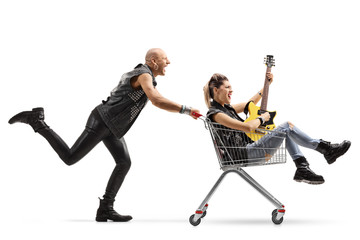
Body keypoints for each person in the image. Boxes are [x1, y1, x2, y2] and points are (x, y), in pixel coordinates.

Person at [8, 48, 200, 222]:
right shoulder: (143, 74)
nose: (169, 62)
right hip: (102, 121)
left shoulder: (145, 75)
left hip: (113, 126)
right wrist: (186, 110)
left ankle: (105, 208)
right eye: (165, 58)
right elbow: (157, 100)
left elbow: (155, 98)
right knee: (70, 158)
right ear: (153, 61)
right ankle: (37, 121)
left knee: (124, 162)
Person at [203, 73, 351, 184]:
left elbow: (250, 103)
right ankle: (326, 150)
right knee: (286, 127)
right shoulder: (216, 114)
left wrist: (266, 86)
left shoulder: (227, 109)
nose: (231, 90)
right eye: (227, 87)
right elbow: (248, 127)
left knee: (285, 131)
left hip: (248, 152)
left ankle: (302, 168)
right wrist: (263, 118)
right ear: (216, 90)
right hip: (245, 154)